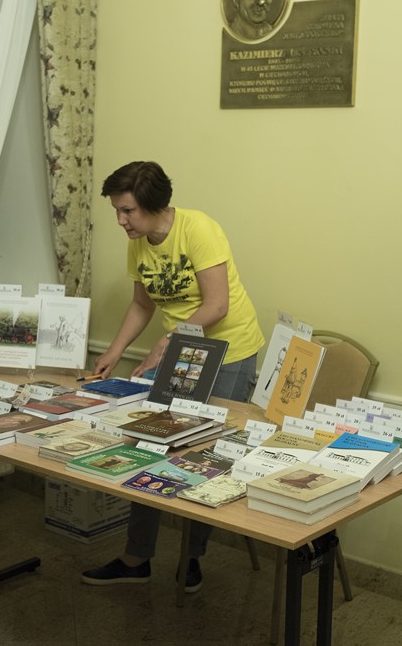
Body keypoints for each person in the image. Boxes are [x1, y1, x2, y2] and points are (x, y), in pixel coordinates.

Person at [82, 160, 265, 593]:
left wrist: (168, 341)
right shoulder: (139, 242)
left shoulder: (198, 229)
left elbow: (217, 305)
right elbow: (142, 304)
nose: (121, 220)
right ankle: (136, 557)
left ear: (154, 205)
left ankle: (191, 557)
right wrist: (114, 351)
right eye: (117, 211)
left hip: (229, 352)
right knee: (152, 443)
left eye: (127, 210)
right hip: (183, 350)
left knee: (206, 455)